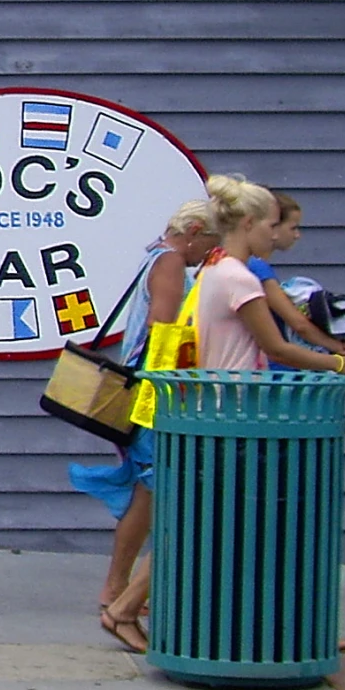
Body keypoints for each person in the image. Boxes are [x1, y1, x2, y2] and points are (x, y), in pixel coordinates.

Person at [101, 176, 345, 644]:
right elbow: (276, 347)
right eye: (272, 224)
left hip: (210, 412)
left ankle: (126, 607)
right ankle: (123, 607)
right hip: (228, 414)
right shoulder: (237, 276)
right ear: (247, 223)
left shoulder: (211, 270)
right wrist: (339, 362)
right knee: (220, 524)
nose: (276, 235)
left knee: (209, 523)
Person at [77, 199, 212, 651]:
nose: (209, 253)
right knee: (152, 491)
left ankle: (118, 588)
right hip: (157, 394)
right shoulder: (173, 261)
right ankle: (117, 593)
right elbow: (164, 325)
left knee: (146, 491)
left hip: (140, 392)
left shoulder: (155, 254)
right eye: (209, 241)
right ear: (193, 230)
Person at [254, 189, 345, 359]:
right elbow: (298, 324)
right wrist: (337, 347)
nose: (297, 235)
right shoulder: (258, 268)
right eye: (293, 228)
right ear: (273, 226)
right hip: (273, 369)